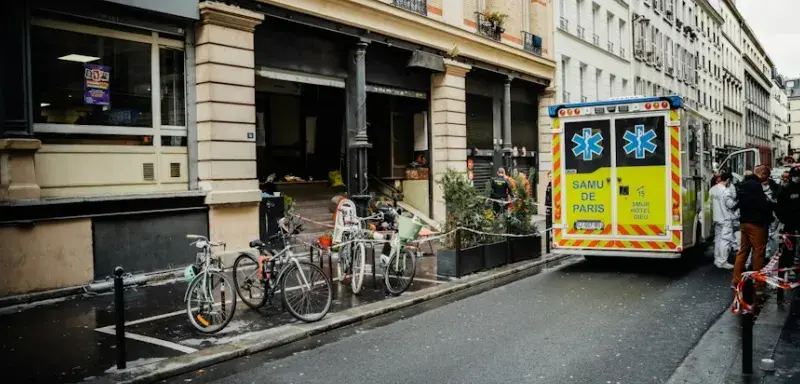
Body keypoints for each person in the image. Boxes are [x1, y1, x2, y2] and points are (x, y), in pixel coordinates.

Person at [732, 165, 775, 290]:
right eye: (766, 176)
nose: (766, 179)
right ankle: (758, 282)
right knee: (759, 252)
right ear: (761, 174)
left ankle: (736, 279)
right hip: (756, 223)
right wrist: (770, 207)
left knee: (743, 251)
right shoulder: (756, 185)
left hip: (744, 222)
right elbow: (762, 205)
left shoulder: (744, 183)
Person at [710, 173, 736, 269]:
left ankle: (717, 259)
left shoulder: (712, 189)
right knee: (725, 240)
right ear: (728, 180)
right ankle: (722, 261)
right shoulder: (726, 191)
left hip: (716, 217)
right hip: (725, 218)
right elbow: (731, 205)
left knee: (718, 239)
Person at [776, 167, 800, 270]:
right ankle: (787, 266)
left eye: (798, 176)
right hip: (789, 221)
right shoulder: (785, 189)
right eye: (795, 176)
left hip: (797, 220)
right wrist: (783, 219)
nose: (797, 178)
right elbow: (778, 206)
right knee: (788, 245)